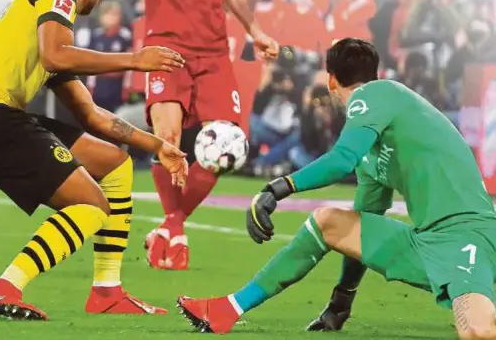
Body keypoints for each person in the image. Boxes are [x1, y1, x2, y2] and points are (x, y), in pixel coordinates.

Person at [5, 0, 280, 271]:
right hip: (166, 49)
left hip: (212, 55)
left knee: (227, 149)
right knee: (168, 140)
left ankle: (171, 225)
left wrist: (257, 32)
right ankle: (175, 230)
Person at [177, 38, 496, 340]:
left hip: (464, 235)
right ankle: (226, 309)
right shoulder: (372, 151)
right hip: (425, 242)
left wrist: (279, 187)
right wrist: (341, 300)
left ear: (331, 81)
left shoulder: (376, 94)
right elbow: (361, 224)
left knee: (477, 331)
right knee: (329, 221)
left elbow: (341, 159)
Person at [0, 0, 188, 320]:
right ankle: (4, 288)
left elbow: (92, 116)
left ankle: (107, 291)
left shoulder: (45, 28)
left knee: (113, 162)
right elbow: (56, 55)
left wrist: (156, 145)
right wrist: (135, 60)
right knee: (91, 206)